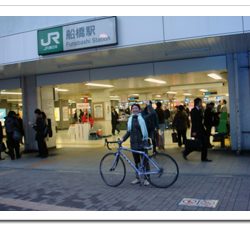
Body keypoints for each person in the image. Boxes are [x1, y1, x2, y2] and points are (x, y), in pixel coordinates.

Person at [121, 103, 150, 186]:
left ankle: (146, 179)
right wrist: (123, 139)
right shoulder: (130, 119)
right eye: (133, 108)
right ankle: (137, 178)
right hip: (133, 143)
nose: (135, 109)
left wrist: (146, 141)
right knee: (136, 162)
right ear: (131, 110)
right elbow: (129, 132)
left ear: (139, 110)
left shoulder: (142, 118)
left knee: (145, 162)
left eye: (136, 108)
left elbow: (145, 131)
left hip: (142, 143)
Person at [182, 97, 211, 162]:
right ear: (198, 103)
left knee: (203, 143)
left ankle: (203, 158)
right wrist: (194, 131)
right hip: (197, 130)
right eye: (201, 102)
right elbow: (194, 122)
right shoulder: (193, 110)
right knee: (198, 144)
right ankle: (186, 152)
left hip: (201, 129)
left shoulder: (199, 110)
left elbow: (201, 120)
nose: (201, 103)